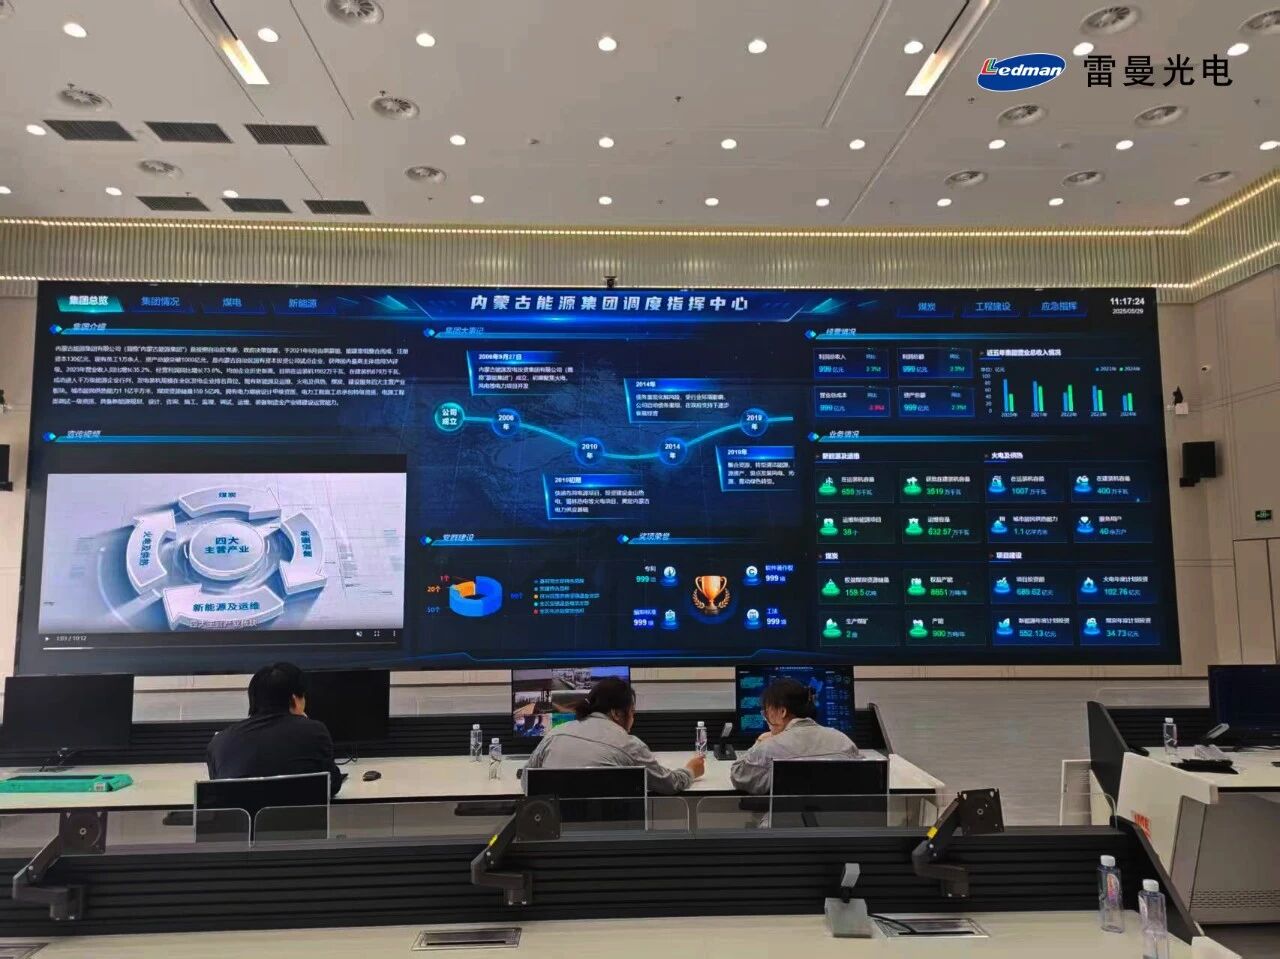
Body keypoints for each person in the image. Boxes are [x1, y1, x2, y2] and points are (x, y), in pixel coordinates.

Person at [524, 676, 704, 793]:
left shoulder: (554, 735)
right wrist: (690, 771)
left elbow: (527, 780)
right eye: (632, 712)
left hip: (554, 836)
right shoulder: (629, 745)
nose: (633, 719)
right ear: (617, 713)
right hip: (613, 836)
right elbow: (668, 784)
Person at [206, 662, 344, 796]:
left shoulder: (219, 742)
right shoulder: (314, 732)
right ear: (294, 699)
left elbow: (218, 793)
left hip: (243, 812)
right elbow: (331, 785)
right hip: (297, 812)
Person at [730, 677, 859, 794]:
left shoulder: (768, 748)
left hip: (786, 813)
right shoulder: (843, 740)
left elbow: (738, 776)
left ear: (782, 711)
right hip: (839, 813)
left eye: (766, 713)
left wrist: (759, 741)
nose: (766, 719)